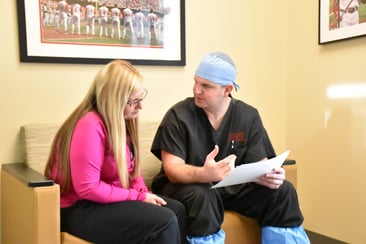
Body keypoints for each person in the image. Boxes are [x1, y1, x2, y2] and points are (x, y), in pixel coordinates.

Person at [151, 52, 310, 244]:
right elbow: (172, 169)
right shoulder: (178, 116)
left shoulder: (247, 115)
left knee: (284, 191)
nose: (196, 90)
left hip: (231, 188)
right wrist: (204, 174)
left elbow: (260, 164)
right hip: (187, 188)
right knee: (203, 197)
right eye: (196, 82)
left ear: (227, 89)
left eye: (206, 86)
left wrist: (271, 175)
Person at [44, 60, 186, 244]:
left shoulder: (122, 121)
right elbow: (88, 188)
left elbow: (132, 173)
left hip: (104, 202)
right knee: (164, 222)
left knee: (177, 210)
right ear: (114, 100)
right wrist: (138, 197)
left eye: (141, 98)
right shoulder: (90, 125)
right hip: (78, 208)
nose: (140, 106)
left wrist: (143, 194)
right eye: (134, 101)